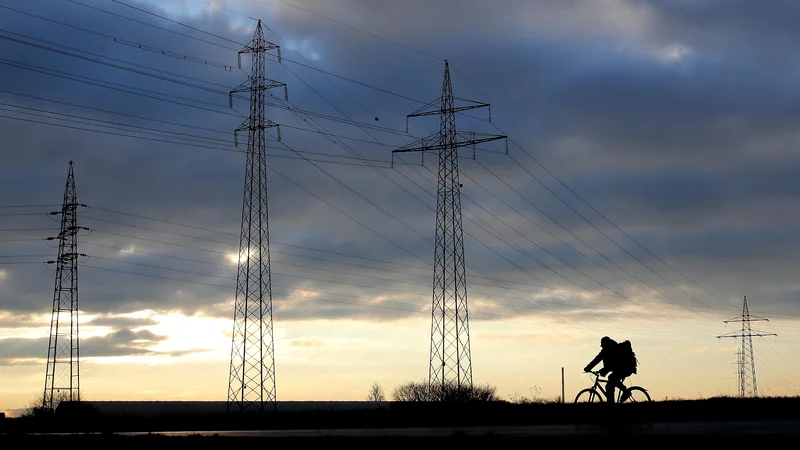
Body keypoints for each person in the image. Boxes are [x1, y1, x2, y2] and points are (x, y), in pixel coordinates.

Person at [583, 336, 634, 403]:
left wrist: (588, 368)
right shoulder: (611, 348)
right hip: (623, 368)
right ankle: (624, 392)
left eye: (602, 345)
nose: (602, 347)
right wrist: (590, 368)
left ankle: (613, 402)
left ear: (605, 344)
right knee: (612, 379)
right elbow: (598, 360)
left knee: (609, 385)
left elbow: (605, 363)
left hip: (625, 368)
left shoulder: (611, 350)